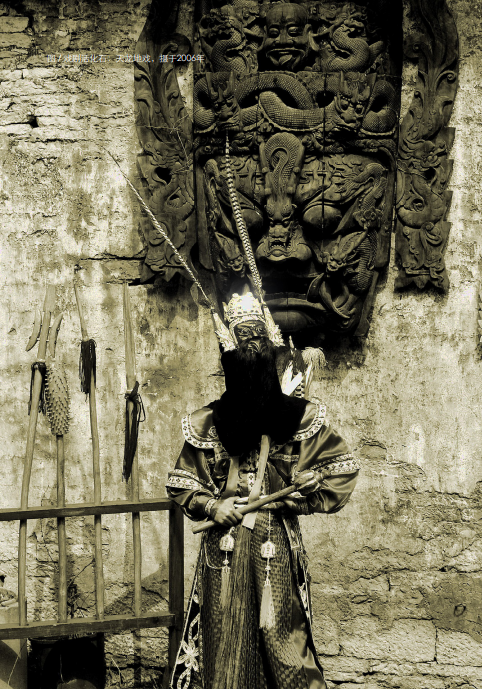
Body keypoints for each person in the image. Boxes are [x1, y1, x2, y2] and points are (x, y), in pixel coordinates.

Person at [166, 292, 359, 689]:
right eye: (244, 343)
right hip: (223, 547)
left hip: (275, 543)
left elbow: (341, 470)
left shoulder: (299, 417)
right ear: (228, 358)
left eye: (259, 340)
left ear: (272, 351)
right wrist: (212, 506)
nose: (252, 349)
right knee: (223, 637)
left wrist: (308, 488)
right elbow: (182, 482)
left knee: (283, 638)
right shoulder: (208, 421)